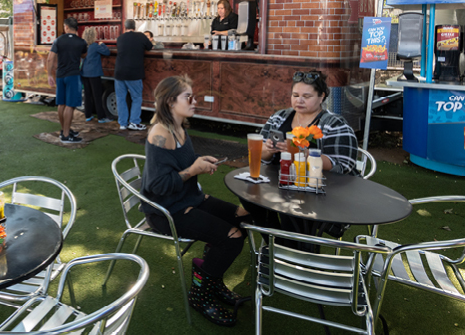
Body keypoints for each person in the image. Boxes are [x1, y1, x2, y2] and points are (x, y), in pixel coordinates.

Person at [141, 75, 251, 327]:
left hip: (188, 198)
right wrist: (193, 170)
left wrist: (200, 160)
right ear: (170, 102)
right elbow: (157, 186)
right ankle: (200, 295)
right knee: (232, 238)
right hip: (165, 210)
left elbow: (183, 161)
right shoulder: (160, 133)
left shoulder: (179, 128)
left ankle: (212, 277)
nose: (195, 101)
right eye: (188, 97)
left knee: (242, 217)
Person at [251, 70, 360, 235]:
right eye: (295, 95)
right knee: (250, 200)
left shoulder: (335, 124)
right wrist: (267, 150)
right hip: (280, 184)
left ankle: (284, 250)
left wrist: (300, 152)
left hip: (317, 190)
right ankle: (282, 246)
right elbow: (261, 158)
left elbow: (342, 166)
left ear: (321, 96)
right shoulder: (279, 117)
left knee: (292, 208)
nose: (299, 101)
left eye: (307, 97)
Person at [46, 17, 87, 143]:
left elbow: (50, 59)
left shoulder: (58, 40)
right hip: (73, 75)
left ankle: (65, 130)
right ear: (76, 28)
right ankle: (66, 135)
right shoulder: (81, 42)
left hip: (60, 75)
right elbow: (84, 55)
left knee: (61, 104)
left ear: (66, 27)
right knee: (70, 105)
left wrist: (49, 75)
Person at [114, 19, 152, 131]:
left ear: (125, 27)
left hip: (119, 72)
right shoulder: (141, 36)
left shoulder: (120, 38)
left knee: (120, 98)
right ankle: (134, 122)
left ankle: (122, 123)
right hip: (134, 72)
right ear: (134, 27)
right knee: (136, 98)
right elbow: (150, 47)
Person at [80, 27, 110, 123]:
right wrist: (103, 44)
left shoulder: (83, 46)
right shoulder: (95, 46)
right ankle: (101, 117)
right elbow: (107, 52)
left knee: (87, 95)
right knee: (97, 95)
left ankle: (88, 115)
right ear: (93, 36)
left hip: (84, 73)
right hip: (94, 73)